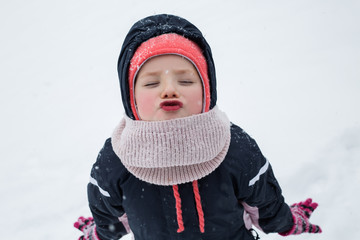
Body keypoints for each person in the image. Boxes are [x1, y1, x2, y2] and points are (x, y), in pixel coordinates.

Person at [74, 14, 322, 240]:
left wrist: (287, 221)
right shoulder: (117, 158)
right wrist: (98, 232)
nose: (169, 89)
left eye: (185, 80)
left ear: (208, 91)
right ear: (131, 98)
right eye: (151, 83)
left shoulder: (233, 146)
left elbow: (265, 205)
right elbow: (110, 218)